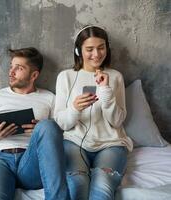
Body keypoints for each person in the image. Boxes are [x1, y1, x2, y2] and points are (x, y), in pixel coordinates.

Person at [0, 47, 69, 200]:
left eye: (18, 68)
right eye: (11, 66)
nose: (11, 72)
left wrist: (40, 133)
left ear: (34, 75)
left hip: (31, 162)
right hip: (0, 160)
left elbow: (60, 137)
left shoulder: (49, 98)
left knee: (48, 126)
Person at [54, 26, 133, 200]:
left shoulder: (116, 76)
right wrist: (75, 108)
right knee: (77, 184)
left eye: (101, 47)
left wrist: (105, 90)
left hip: (111, 144)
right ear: (78, 51)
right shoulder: (65, 77)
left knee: (102, 185)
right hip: (74, 143)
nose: (96, 54)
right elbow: (61, 123)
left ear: (107, 48)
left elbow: (117, 121)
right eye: (89, 49)